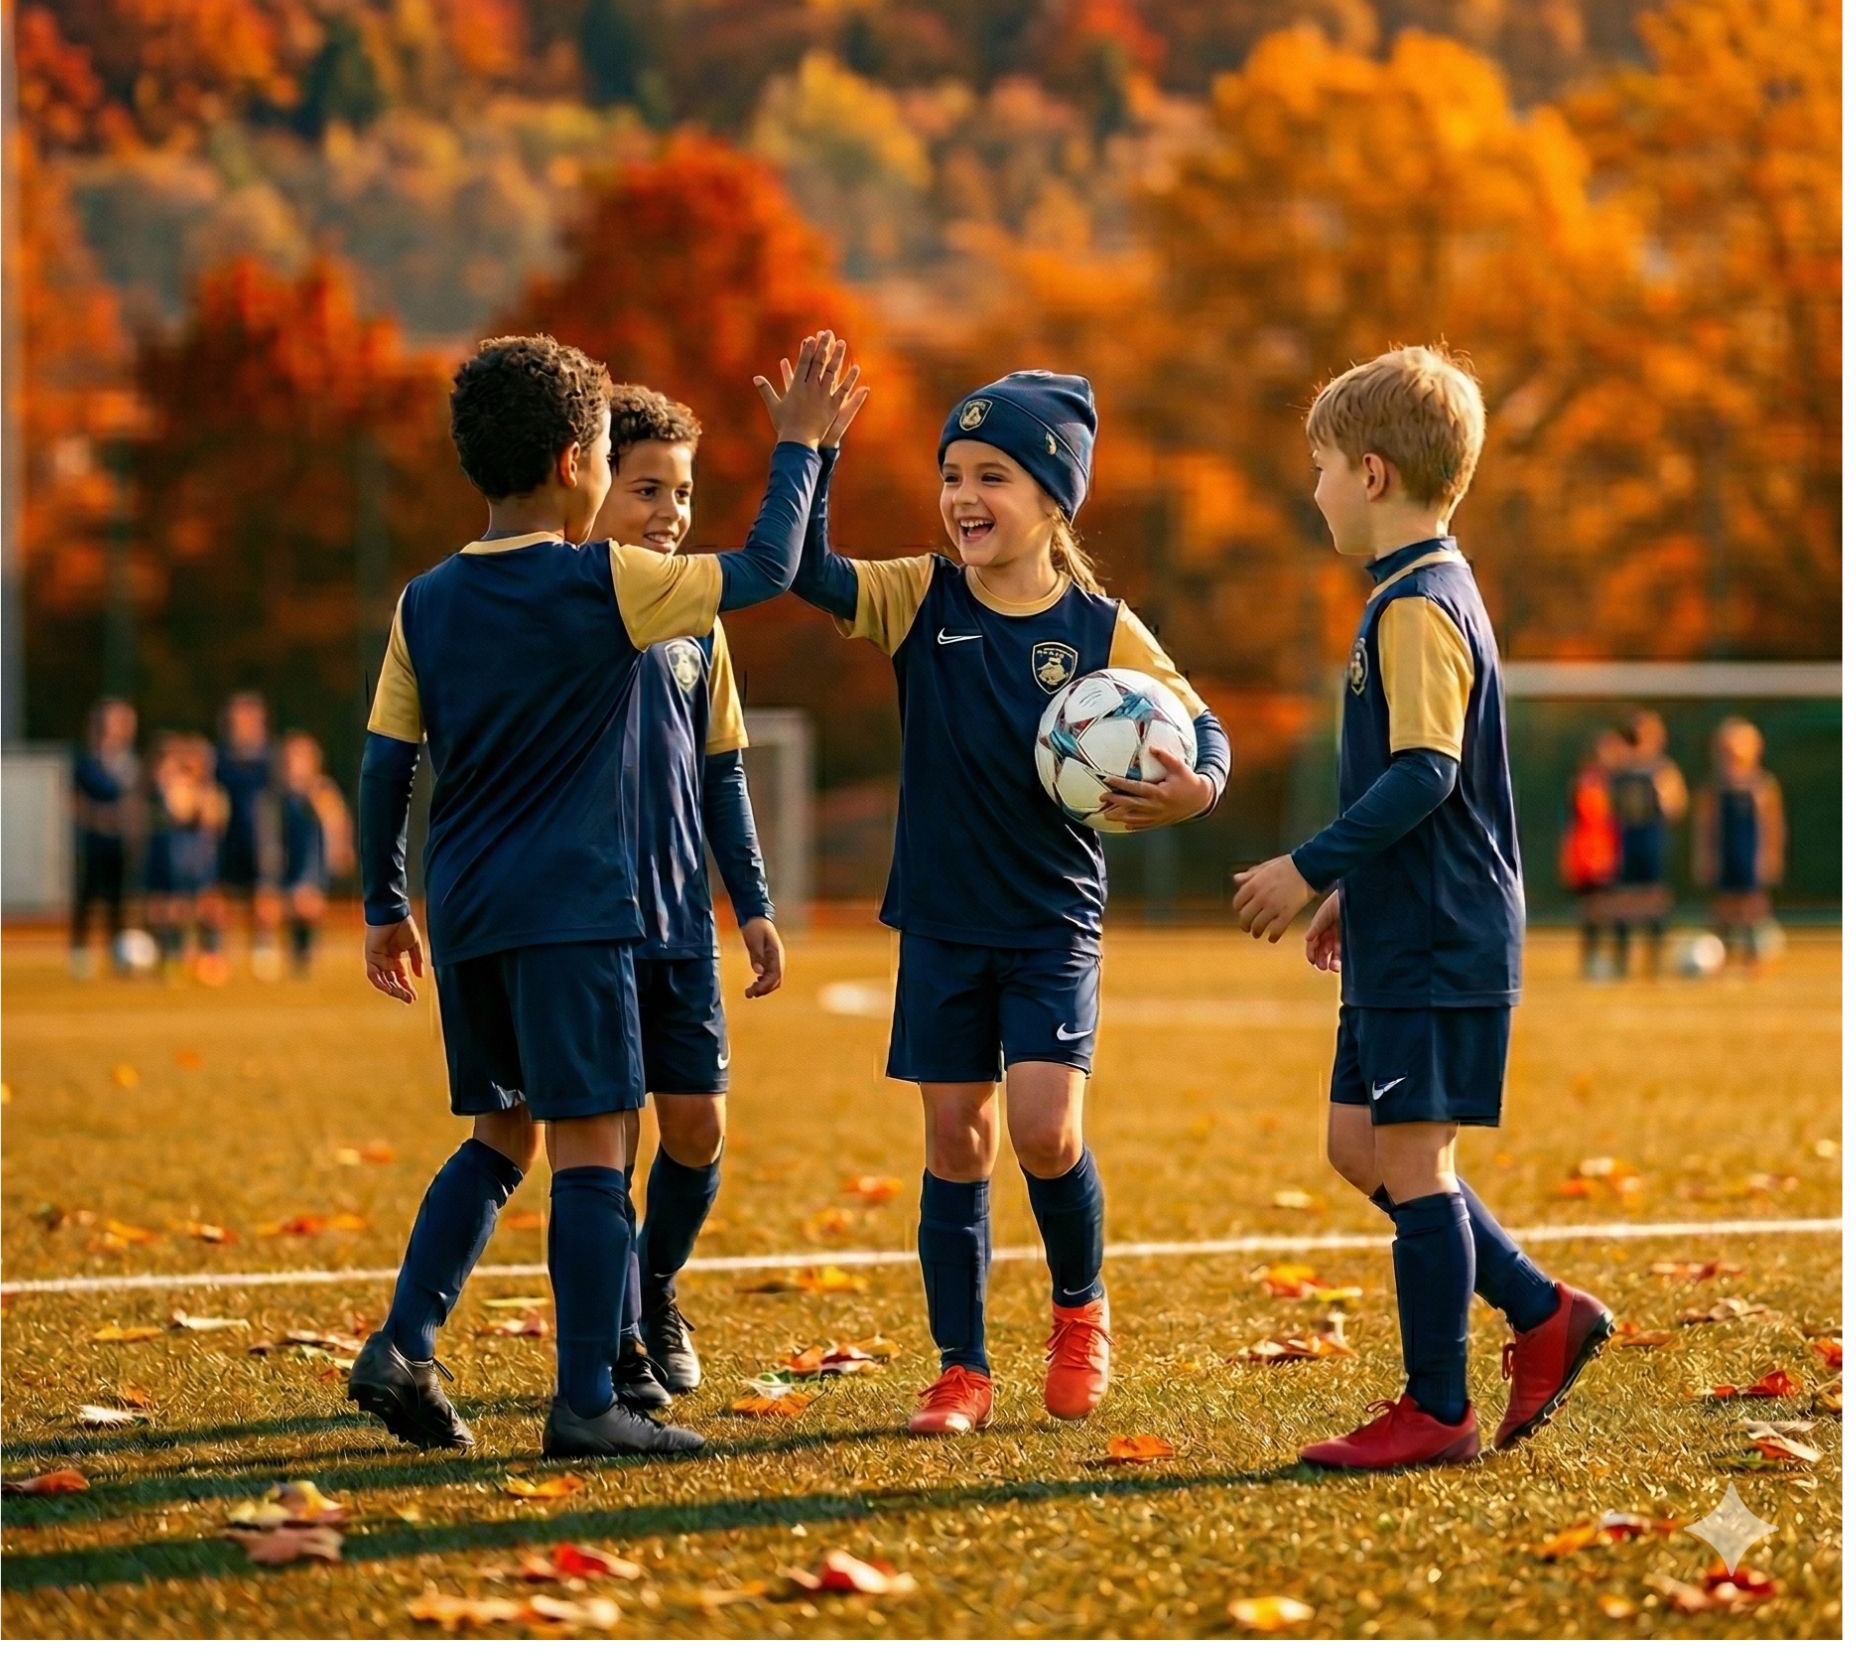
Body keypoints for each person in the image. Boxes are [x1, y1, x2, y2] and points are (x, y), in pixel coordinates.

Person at [347, 329, 851, 1465]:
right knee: (590, 1148)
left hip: (471, 914)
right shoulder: (601, 583)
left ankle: (404, 1344)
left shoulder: (423, 600)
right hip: (574, 913)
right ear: (581, 460)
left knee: (499, 1135)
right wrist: (800, 448)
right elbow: (766, 571)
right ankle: (586, 1401)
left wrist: (385, 903)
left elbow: (387, 761)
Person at [787, 362, 1229, 1437]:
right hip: (940, 919)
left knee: (1040, 1129)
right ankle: (961, 1369)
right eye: (950, 474)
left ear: (1051, 497)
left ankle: (1078, 1307)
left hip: (1048, 920)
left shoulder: (1100, 630)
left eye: (991, 474)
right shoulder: (914, 599)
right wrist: (811, 450)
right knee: (955, 1142)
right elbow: (795, 567)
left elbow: (1201, 728)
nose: (961, 496)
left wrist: (1192, 791)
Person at [1232, 345, 1612, 1471]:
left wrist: (1308, 864)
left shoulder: (1415, 606)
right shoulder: (1407, 594)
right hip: (1406, 920)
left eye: (1317, 469)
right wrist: (1358, 886)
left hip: (1443, 933)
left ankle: (1435, 1408)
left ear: (1371, 471)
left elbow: (1423, 771)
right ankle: (1543, 1312)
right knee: (1361, 1146)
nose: (1312, 491)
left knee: (1413, 1157)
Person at [596, 384, 784, 1406]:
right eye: (645, 489)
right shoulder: (577, 601)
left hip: (679, 922)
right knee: (609, 1138)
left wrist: (749, 903)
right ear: (588, 489)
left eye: (681, 492)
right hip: (590, 921)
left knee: (698, 1127)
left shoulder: (697, 621)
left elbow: (722, 772)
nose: (670, 511)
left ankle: (657, 1283)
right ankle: (623, 1330)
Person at [1601, 709, 1687, 977]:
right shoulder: (1620, 768)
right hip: (1625, 838)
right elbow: (1607, 806)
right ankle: (1621, 959)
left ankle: (1655, 958)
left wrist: (1665, 795)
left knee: (1654, 896)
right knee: (1623, 897)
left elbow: (1676, 805)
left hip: (1651, 838)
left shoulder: (1661, 768)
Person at [1693, 717, 1785, 966]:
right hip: (1725, 852)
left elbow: (1772, 826)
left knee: (1753, 904)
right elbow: (1706, 827)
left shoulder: (1762, 786)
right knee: (1724, 905)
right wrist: (1705, 856)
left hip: (1750, 853)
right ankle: (1721, 954)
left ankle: (1753, 955)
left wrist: (1770, 855)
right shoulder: (1714, 788)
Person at [211, 691, 280, 978]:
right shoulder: (219, 759)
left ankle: (263, 953)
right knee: (218, 897)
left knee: (263, 897)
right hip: (226, 836)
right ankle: (215, 955)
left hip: (261, 836)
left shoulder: (272, 759)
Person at [71, 698, 141, 978]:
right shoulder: (86, 761)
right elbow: (73, 800)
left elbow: (136, 800)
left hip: (120, 842)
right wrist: (97, 818)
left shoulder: (130, 762)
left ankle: (119, 955)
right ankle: (80, 955)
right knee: (87, 898)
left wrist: (128, 822)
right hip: (92, 841)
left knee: (118, 900)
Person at [144, 732, 222, 974]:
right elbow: (179, 811)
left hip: (200, 860)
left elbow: (212, 817)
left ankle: (211, 958)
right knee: (166, 910)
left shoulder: (211, 792)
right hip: (171, 859)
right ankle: (171, 957)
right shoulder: (161, 791)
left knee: (209, 908)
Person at [278, 731, 351, 977]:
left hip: (312, 860)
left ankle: (306, 955)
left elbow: (335, 822)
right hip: (290, 858)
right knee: (293, 907)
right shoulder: (282, 794)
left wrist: (339, 850)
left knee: (307, 904)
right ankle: (298, 956)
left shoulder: (320, 790)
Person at [1560, 730, 1623, 981]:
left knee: (1614, 907)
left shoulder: (1619, 783)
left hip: (1611, 852)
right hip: (1587, 853)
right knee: (1591, 909)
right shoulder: (1581, 784)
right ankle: (1592, 961)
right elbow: (1570, 822)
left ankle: (1617, 961)